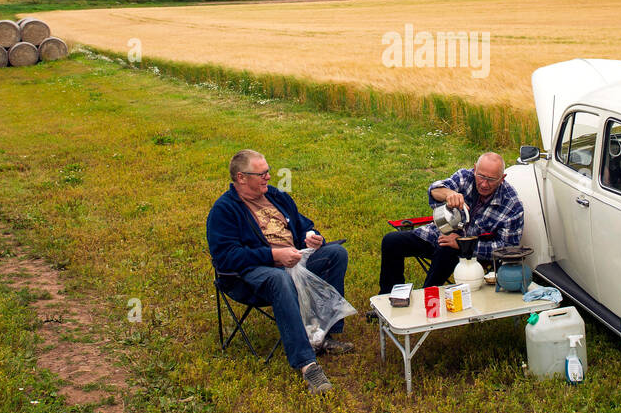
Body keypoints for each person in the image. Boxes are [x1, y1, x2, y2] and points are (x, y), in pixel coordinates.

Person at [206, 149, 351, 394]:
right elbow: (226, 257)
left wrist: (313, 237)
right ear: (241, 178)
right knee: (279, 278)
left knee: (336, 254)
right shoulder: (225, 210)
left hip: (293, 261)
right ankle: (307, 364)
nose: (268, 177)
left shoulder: (275, 196)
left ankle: (326, 334)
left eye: (268, 171)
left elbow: (304, 224)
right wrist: (273, 255)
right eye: (261, 173)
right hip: (249, 275)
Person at [377, 152, 524, 294]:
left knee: (446, 251)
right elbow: (434, 190)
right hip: (439, 233)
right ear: (475, 169)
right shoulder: (465, 176)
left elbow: (506, 249)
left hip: (471, 253)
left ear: (502, 178)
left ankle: (427, 298)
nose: (484, 184)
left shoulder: (512, 205)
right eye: (481, 176)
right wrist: (449, 194)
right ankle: (389, 298)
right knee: (391, 241)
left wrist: (463, 244)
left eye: (491, 179)